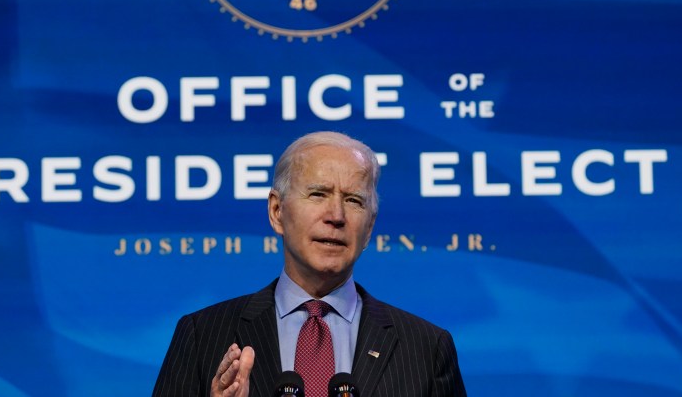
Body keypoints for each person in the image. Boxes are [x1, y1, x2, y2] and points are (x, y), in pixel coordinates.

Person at [151, 131, 467, 396]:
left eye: (354, 200)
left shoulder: (426, 348)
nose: (336, 216)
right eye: (318, 194)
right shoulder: (202, 335)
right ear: (277, 211)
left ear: (369, 228)